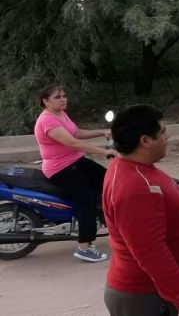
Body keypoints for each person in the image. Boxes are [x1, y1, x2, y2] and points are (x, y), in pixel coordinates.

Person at [103, 105, 179, 316]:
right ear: (145, 141)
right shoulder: (136, 188)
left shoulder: (135, 168)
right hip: (147, 297)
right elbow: (151, 252)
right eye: (163, 131)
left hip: (154, 293)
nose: (168, 136)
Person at [34, 84, 117, 262]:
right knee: (86, 200)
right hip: (61, 168)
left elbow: (77, 133)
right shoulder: (47, 120)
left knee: (110, 181)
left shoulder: (60, 114)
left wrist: (101, 132)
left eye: (64, 95)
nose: (63, 99)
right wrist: (104, 152)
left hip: (76, 161)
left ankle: (111, 224)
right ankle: (84, 247)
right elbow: (73, 143)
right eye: (57, 97)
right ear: (45, 101)